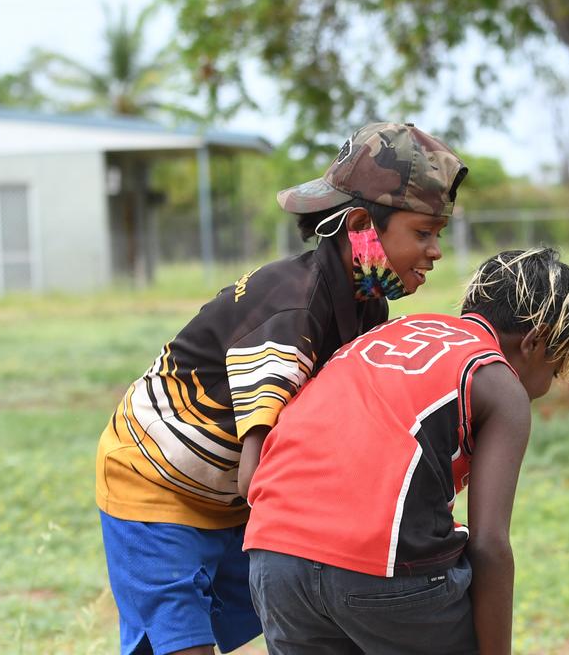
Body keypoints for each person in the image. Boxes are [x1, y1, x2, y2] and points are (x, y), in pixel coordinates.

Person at [94, 122, 467, 654]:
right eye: (423, 233)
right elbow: (258, 477)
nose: (435, 253)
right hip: (154, 484)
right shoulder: (293, 313)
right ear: (361, 224)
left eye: (439, 236)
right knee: (181, 644)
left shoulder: (366, 304)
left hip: (223, 497)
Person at [243, 248, 569, 655]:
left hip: (274, 556)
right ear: (535, 342)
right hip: (378, 563)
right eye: (554, 371)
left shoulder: (387, 333)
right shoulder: (498, 381)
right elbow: (489, 545)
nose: (545, 387)